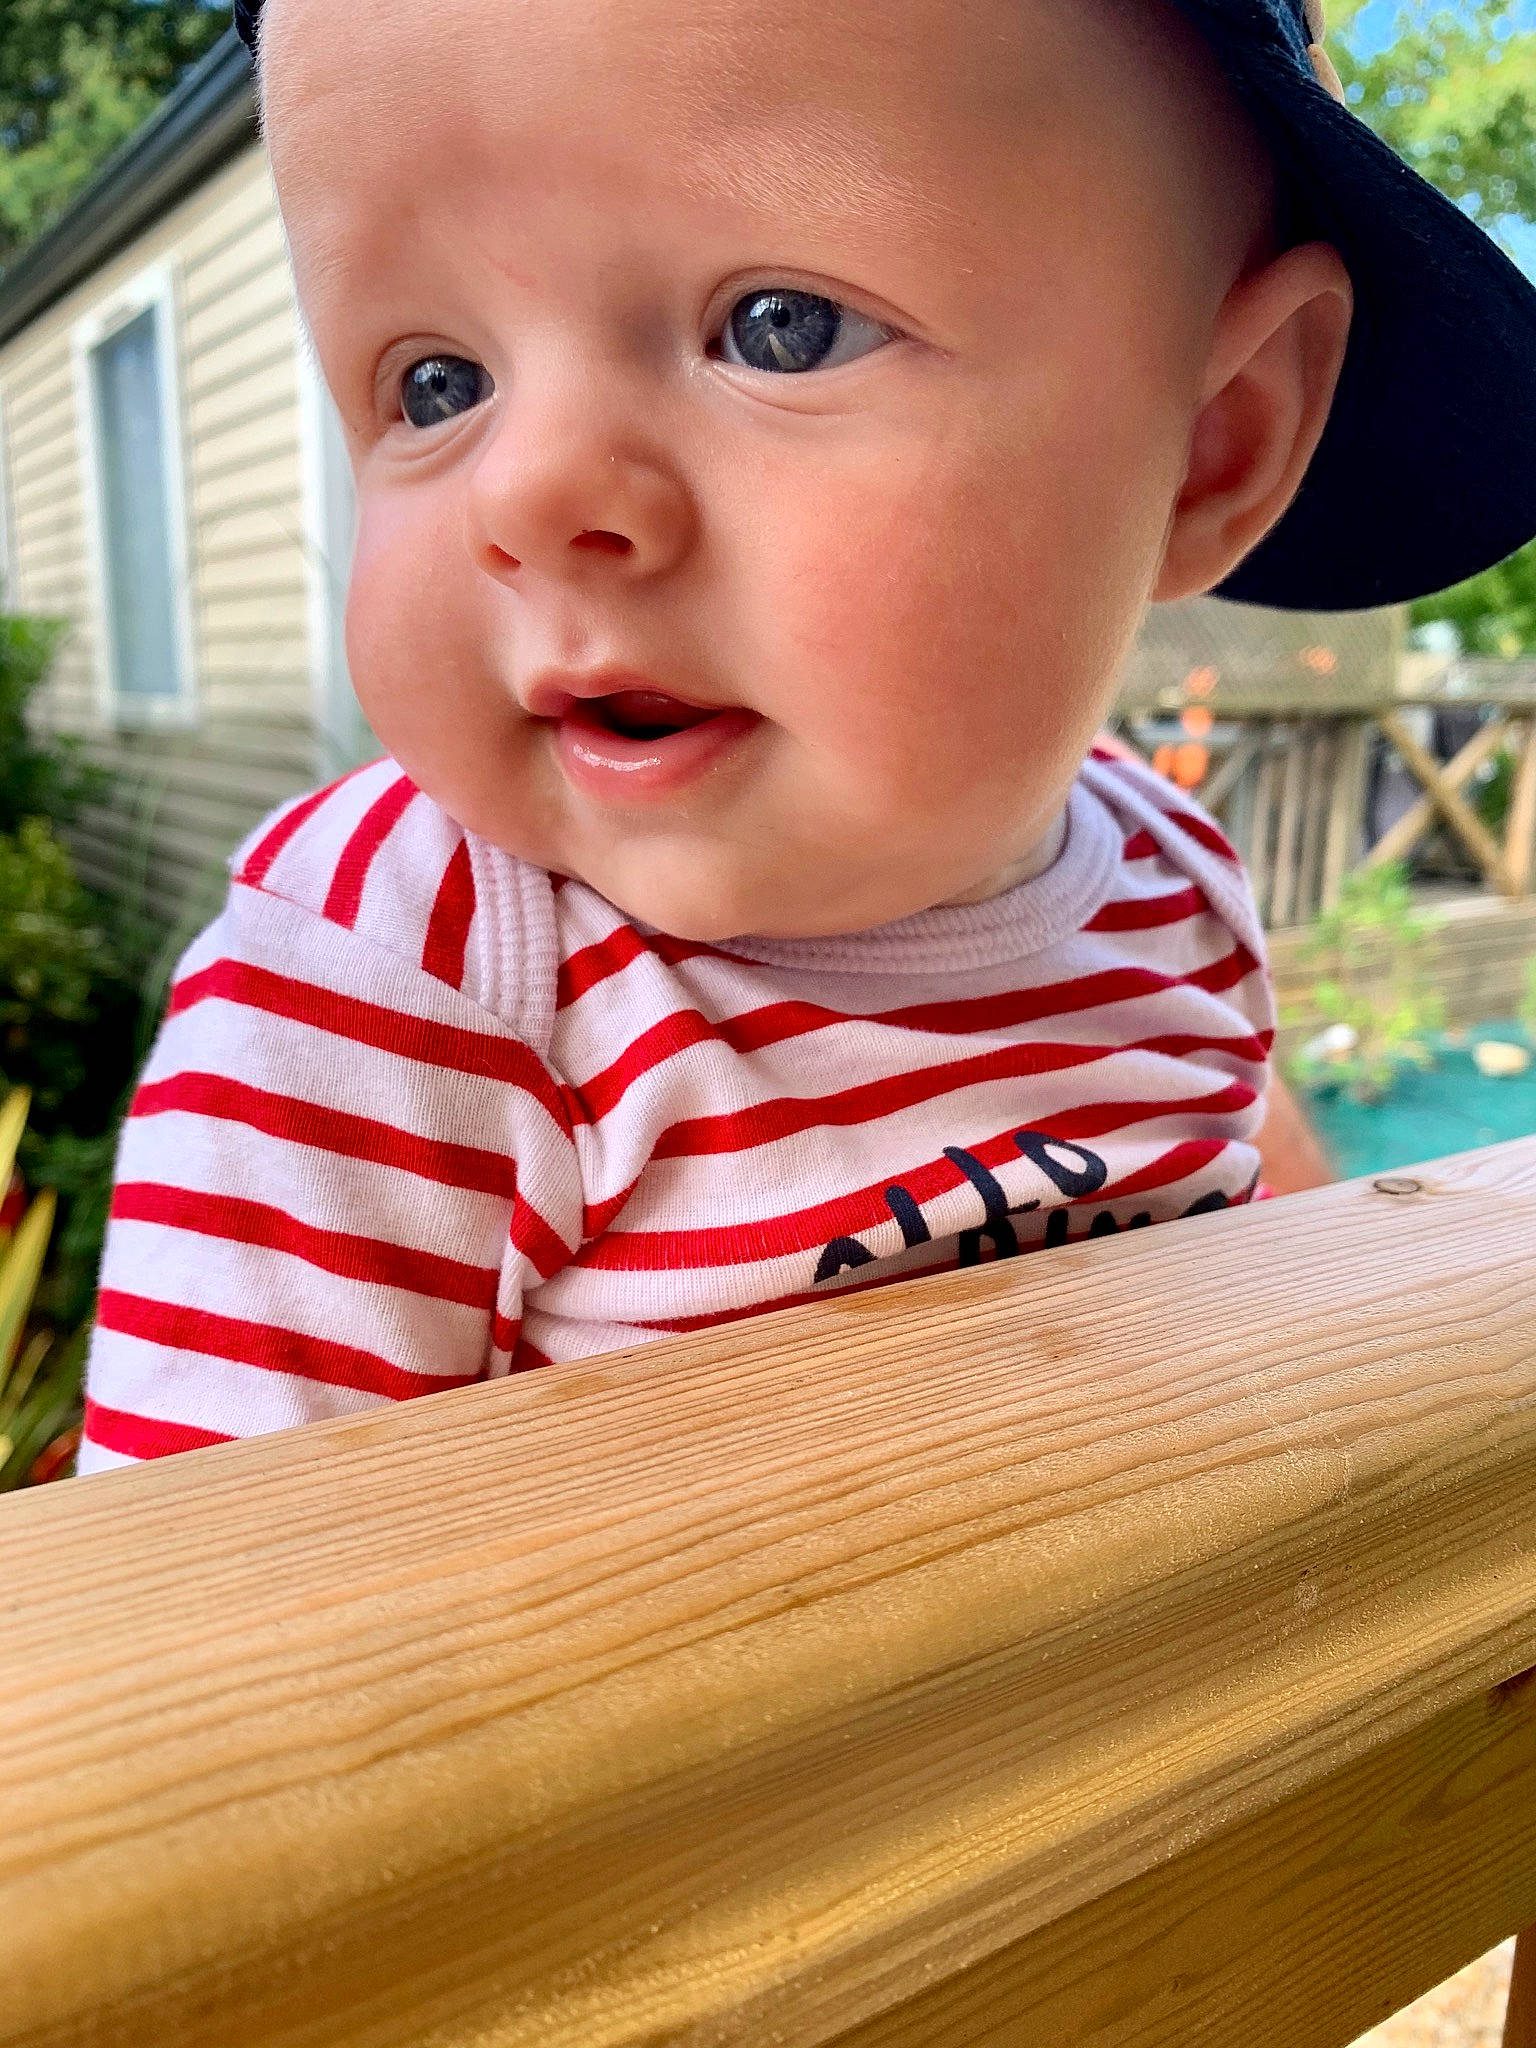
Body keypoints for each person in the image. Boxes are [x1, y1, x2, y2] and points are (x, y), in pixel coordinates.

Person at [73, 0, 1536, 1472]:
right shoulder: (404, 979)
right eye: (434, 384)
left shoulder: (1175, 894)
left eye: (782, 328)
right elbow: (209, 1638)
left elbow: (1271, 1260)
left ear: (1214, 441)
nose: (532, 492)